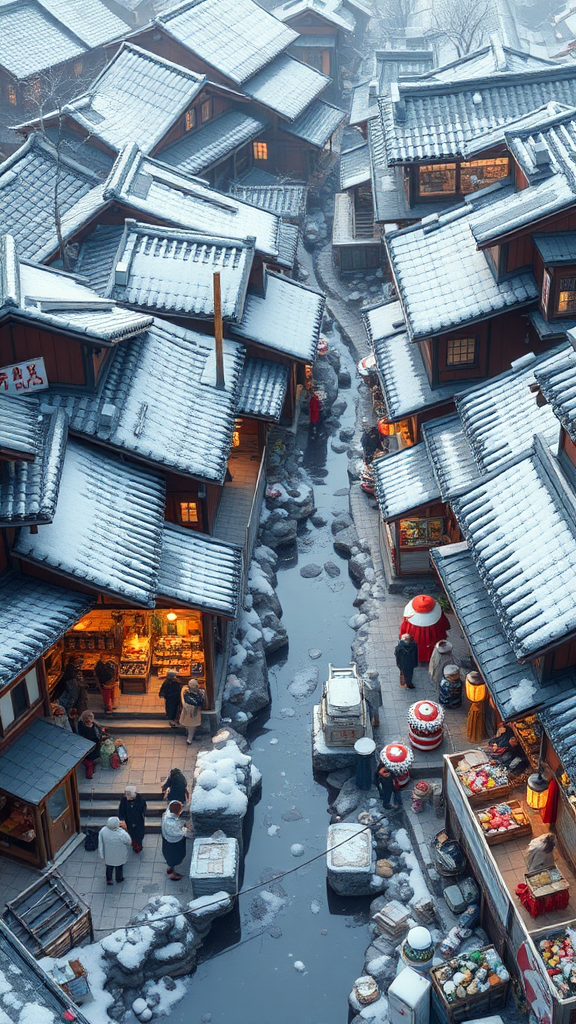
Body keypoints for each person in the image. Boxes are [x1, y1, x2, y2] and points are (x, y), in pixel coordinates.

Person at [98, 816, 131, 884]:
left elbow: (100, 843)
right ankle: (119, 878)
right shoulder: (121, 833)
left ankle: (109, 879)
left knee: (109, 867)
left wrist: (101, 854)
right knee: (119, 867)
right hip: (119, 855)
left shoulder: (103, 831)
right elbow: (128, 841)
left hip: (108, 855)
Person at [161, 801, 190, 880]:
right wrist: (186, 828)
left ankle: (171, 867)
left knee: (169, 856)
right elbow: (179, 833)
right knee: (175, 857)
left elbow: (173, 803)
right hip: (174, 843)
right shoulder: (171, 823)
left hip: (167, 841)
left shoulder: (166, 815)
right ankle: (172, 873)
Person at [77, 710, 105, 779]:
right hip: (88, 744)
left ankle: (91, 765)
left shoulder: (95, 724)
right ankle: (90, 768)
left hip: (96, 743)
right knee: (90, 756)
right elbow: (86, 735)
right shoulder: (81, 725)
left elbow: (99, 732)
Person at [118, 785, 147, 854]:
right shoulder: (124, 800)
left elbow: (143, 810)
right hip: (128, 821)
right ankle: (134, 844)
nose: (126, 795)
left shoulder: (140, 801)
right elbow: (121, 810)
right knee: (131, 833)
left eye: (128, 794)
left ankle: (138, 846)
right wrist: (122, 819)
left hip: (138, 821)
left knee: (138, 835)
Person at [179, 680, 205, 744]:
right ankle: (190, 738)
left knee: (191, 725)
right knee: (191, 725)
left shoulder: (185, 691)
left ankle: (190, 736)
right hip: (192, 712)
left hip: (190, 712)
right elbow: (199, 702)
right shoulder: (189, 695)